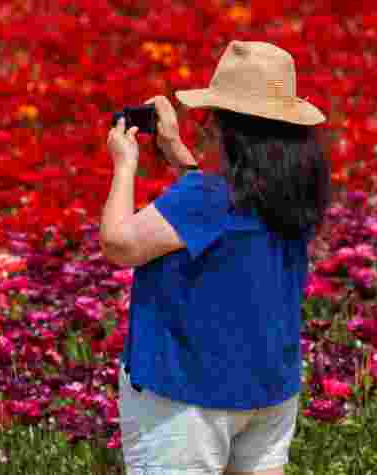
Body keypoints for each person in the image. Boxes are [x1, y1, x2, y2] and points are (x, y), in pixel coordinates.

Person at [100, 40, 332, 475]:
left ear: (229, 128)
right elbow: (221, 219)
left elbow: (119, 244)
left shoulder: (205, 199)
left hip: (189, 396)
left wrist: (124, 164)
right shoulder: (296, 192)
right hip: (267, 391)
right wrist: (179, 157)